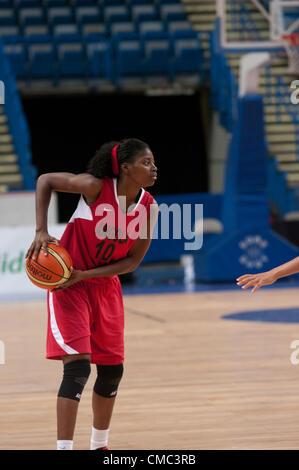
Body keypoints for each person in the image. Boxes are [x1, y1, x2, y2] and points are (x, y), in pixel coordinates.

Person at [25, 138, 159, 450]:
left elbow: (133, 261)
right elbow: (45, 181)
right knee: (78, 368)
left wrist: (85, 275)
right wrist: (41, 230)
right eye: (146, 162)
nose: (153, 168)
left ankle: (99, 445)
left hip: (104, 286)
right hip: (68, 289)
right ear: (125, 168)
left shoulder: (148, 207)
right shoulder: (96, 187)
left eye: (153, 162)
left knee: (113, 370)